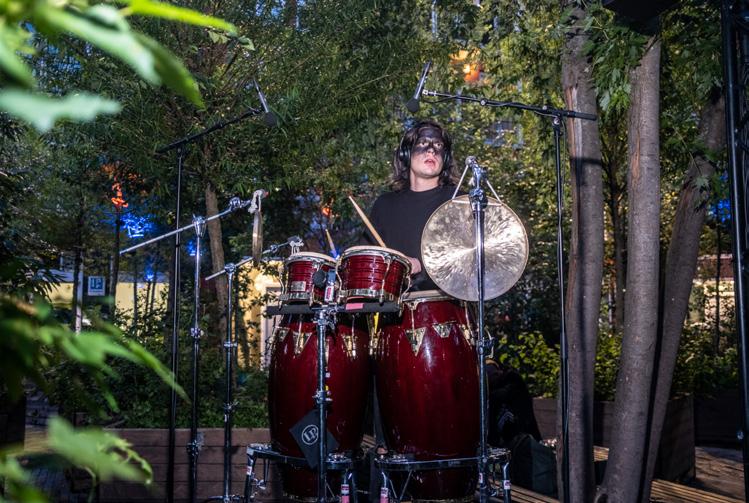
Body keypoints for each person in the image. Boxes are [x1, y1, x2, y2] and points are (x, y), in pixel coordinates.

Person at [362, 119, 460, 291]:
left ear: (445, 158)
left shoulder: (458, 202)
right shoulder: (385, 205)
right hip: (393, 304)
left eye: (438, 145)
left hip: (445, 302)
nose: (431, 150)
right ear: (406, 154)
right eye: (423, 143)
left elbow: (469, 260)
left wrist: (421, 265)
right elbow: (367, 262)